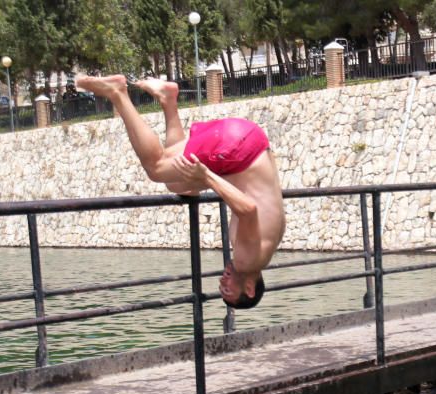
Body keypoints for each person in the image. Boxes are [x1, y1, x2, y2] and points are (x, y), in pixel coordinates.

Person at [76, 75, 285, 309]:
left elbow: (254, 200)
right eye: (227, 288)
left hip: (248, 143)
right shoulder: (247, 262)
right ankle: (117, 93)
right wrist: (205, 176)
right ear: (249, 288)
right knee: (156, 167)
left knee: (177, 184)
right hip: (237, 148)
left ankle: (168, 100)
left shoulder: (267, 249)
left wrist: (203, 180)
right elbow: (248, 209)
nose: (221, 280)